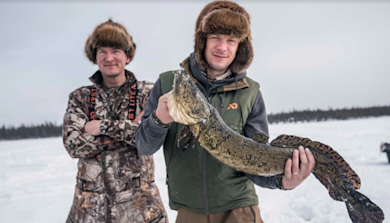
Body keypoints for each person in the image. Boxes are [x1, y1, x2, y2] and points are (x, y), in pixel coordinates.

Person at [135, 1, 315, 223]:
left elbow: (255, 159)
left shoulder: (251, 92)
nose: (222, 47)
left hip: (239, 209)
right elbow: (144, 147)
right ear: (203, 41)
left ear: (241, 46)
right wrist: (158, 121)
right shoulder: (168, 83)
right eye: (215, 38)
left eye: (231, 40)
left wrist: (281, 181)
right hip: (190, 209)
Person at [62, 19, 168, 223]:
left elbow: (149, 138)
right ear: (95, 57)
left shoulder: (148, 92)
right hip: (89, 210)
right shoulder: (80, 97)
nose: (109, 57)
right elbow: (73, 145)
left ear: (127, 56)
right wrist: (130, 131)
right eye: (102, 51)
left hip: (141, 208)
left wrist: (101, 127)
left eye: (116, 50)